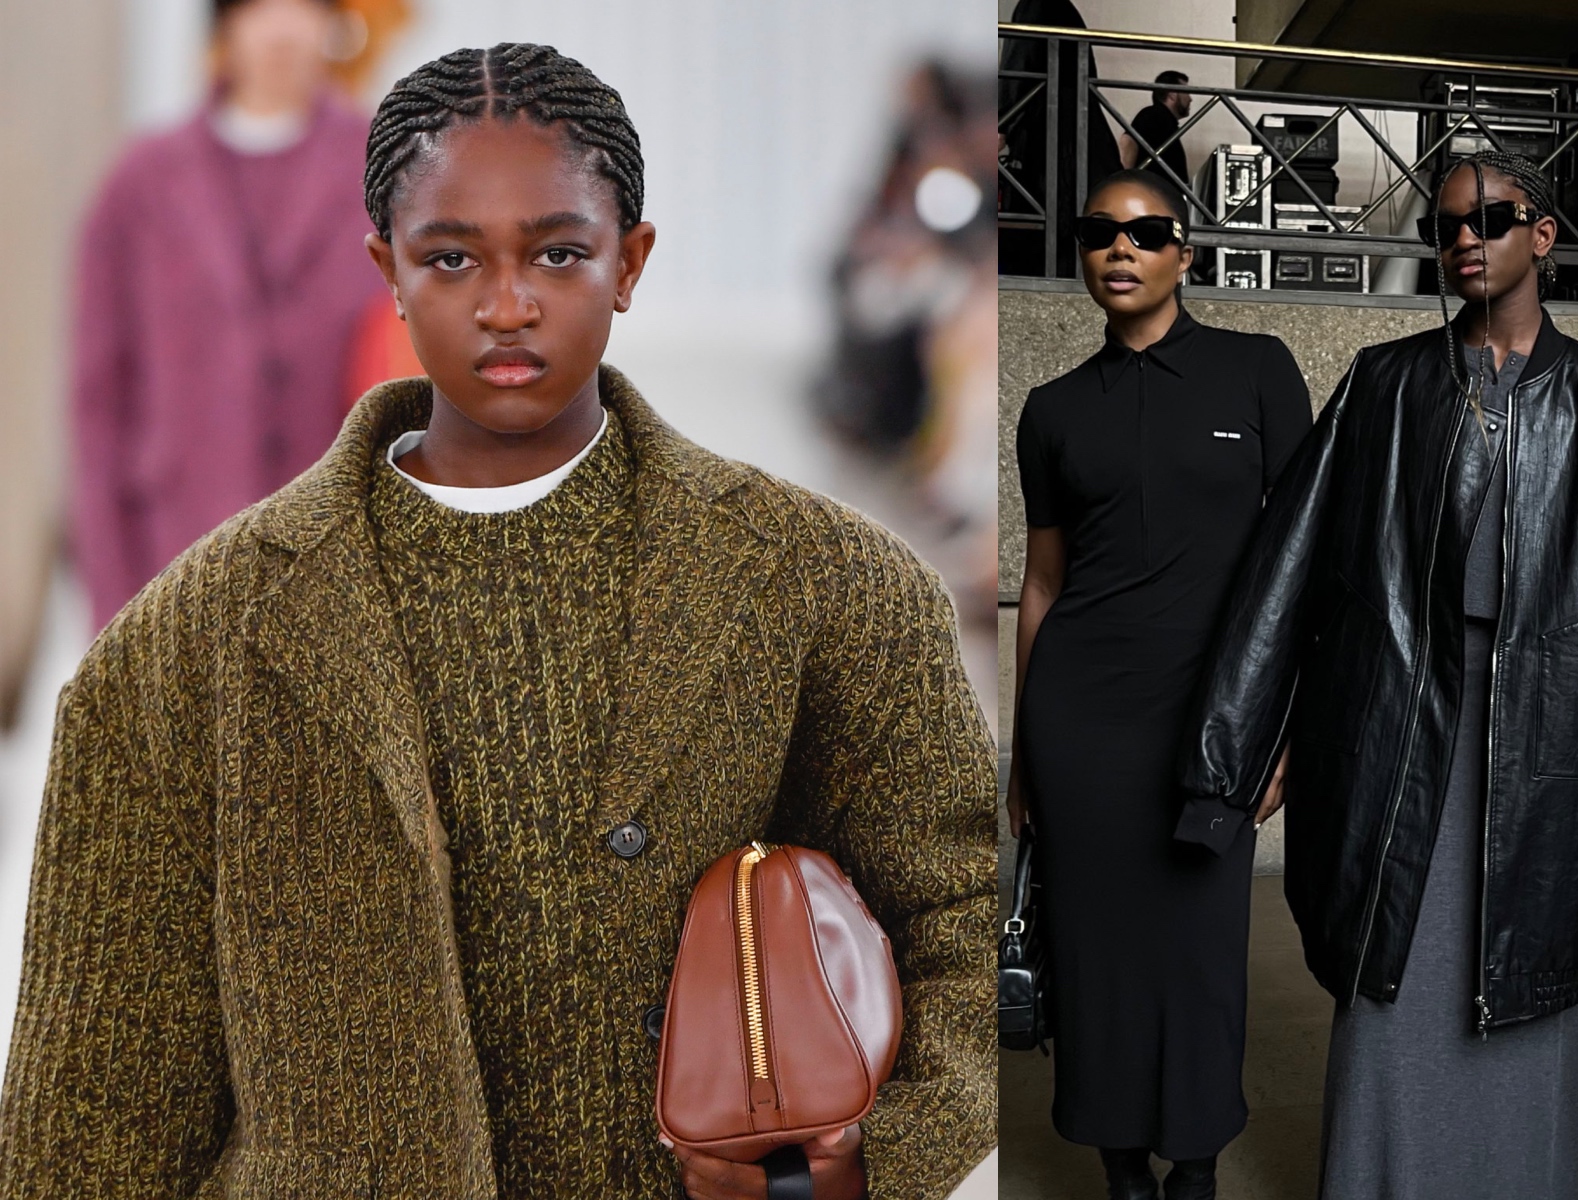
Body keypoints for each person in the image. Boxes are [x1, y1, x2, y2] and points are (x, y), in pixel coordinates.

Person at [0, 43, 995, 1200]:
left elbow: (959, 913)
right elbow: (94, 1107)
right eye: (453, 256)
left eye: (559, 253)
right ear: (386, 268)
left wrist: (865, 1167)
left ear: (631, 263)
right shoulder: (181, 650)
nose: (509, 303)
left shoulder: (831, 587)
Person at [1175, 152, 1578, 1199]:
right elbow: (1281, 576)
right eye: (1446, 226)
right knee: (1390, 986)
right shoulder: (1384, 388)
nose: (1465, 238)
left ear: (1546, 234)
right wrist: (1225, 772)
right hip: (1393, 744)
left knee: (1526, 995)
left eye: (1492, 217)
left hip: (1555, 757)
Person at [1010, 169, 1312, 1199]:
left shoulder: (1257, 371)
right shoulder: (1051, 411)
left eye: (1144, 232)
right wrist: (1024, 755)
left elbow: (1304, 561)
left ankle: (1194, 1166)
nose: (1119, 249)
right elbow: (1043, 583)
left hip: (1214, 727)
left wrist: (1289, 726)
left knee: (1198, 955)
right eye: (1099, 233)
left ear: (1185, 252)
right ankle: (1122, 1170)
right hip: (1081, 724)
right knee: (1095, 959)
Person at [69, 0, 392, 631]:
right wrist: (113, 605)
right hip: (180, 558)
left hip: (346, 570)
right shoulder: (141, 184)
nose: (281, 28)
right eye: (258, 8)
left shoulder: (388, 169)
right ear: (224, 25)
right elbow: (101, 401)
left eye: (303, 8)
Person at [998, 0, 1122, 277]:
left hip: (1049, 130)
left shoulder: (1035, 7)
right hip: (1079, 126)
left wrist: (1002, 121)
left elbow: (1019, 65)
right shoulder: (1063, 9)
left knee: (1048, 221)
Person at [1121, 71, 1191, 186]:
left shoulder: (1166, 122)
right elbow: (1128, 141)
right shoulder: (1153, 115)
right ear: (1172, 95)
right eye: (1187, 92)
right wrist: (1123, 185)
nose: (1190, 99)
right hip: (1152, 195)